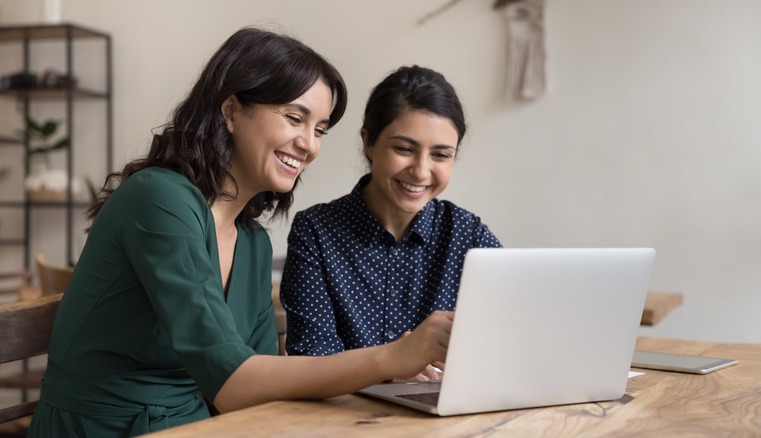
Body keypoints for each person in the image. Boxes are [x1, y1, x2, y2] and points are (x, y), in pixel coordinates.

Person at [27, 29, 452, 437]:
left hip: (201, 425)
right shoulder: (159, 199)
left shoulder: (252, 242)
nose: (309, 144)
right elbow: (233, 381)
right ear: (231, 110)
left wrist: (388, 369)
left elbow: (259, 387)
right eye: (293, 118)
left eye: (319, 129)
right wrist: (388, 357)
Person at [280, 65, 501, 379]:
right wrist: (392, 365)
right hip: (345, 419)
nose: (421, 171)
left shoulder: (468, 235)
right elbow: (311, 359)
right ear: (368, 143)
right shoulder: (316, 232)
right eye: (404, 149)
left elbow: (511, 337)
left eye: (441, 155)